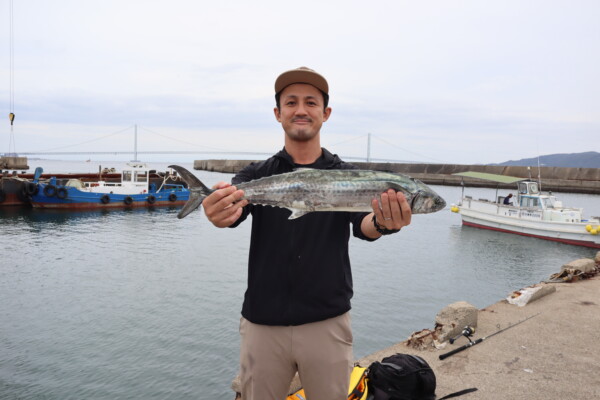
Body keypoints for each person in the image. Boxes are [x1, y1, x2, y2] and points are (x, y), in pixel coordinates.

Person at [201, 67, 412, 400]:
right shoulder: (258, 174)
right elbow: (232, 213)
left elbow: (364, 225)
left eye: (311, 102)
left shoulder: (348, 176)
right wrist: (217, 210)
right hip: (262, 323)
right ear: (278, 113)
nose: (301, 110)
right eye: (291, 102)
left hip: (327, 321)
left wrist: (386, 222)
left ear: (325, 113)